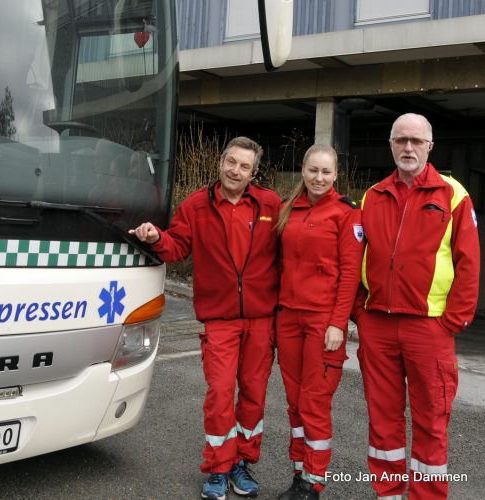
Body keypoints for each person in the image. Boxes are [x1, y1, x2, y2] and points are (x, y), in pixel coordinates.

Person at [129, 136, 280, 499]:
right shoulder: (197, 205)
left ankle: (242, 462)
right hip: (220, 319)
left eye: (245, 166)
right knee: (220, 393)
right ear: (221, 161)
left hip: (261, 320)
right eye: (231, 162)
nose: (236, 171)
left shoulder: (270, 204)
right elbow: (178, 246)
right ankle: (218, 466)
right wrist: (155, 238)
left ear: (254, 172)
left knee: (255, 395)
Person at [354, 113, 480, 499]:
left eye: (416, 141)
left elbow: (469, 264)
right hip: (377, 325)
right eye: (400, 140)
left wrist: (451, 322)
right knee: (383, 418)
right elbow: (357, 256)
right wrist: (360, 311)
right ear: (391, 144)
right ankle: (388, 492)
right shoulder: (372, 195)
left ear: (430, 147)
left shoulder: (453, 194)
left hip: (429, 327)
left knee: (431, 420)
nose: (408, 147)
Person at [273, 145, 364, 499]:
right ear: (303, 170)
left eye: (326, 172)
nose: (319, 178)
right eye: (313, 170)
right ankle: (299, 474)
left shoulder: (345, 213)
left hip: (323, 322)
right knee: (295, 402)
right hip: (288, 318)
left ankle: (314, 479)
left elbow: (350, 275)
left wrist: (338, 324)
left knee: (315, 402)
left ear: (336, 175)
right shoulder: (288, 209)